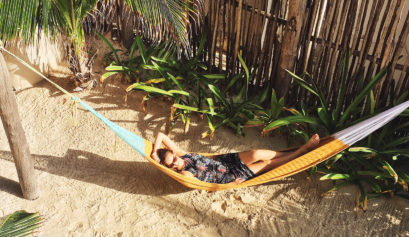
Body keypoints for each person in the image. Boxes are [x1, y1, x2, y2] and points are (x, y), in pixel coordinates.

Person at [151, 132, 320, 184]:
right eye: (172, 163)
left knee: (256, 153)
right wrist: (231, 185)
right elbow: (204, 185)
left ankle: (293, 152)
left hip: (225, 161)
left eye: (173, 157)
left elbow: (161, 135)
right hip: (229, 176)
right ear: (172, 168)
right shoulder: (186, 173)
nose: (176, 161)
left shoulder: (182, 155)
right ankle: (303, 151)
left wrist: (155, 151)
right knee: (266, 163)